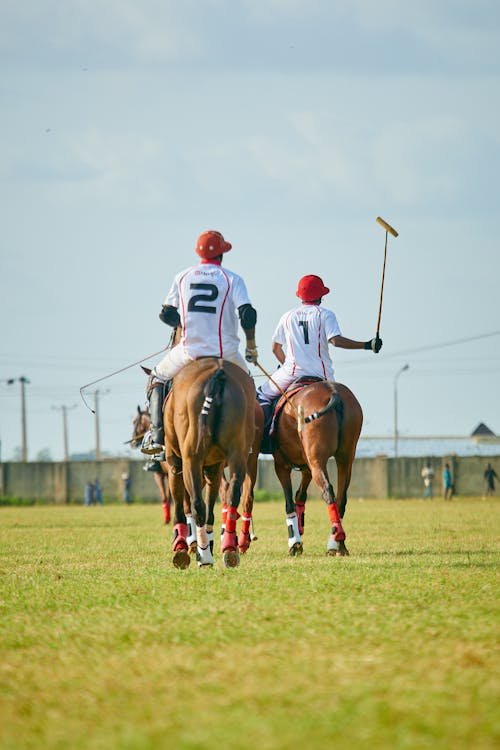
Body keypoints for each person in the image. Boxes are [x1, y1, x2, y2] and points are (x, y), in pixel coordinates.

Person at [141, 229, 258, 456]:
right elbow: (248, 314)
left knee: (156, 378)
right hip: (226, 353)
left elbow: (166, 314)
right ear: (222, 255)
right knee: (247, 384)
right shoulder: (232, 279)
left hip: (189, 351)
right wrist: (251, 345)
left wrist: (184, 326)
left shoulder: (182, 276)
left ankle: (156, 435)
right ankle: (247, 435)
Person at [256, 274, 382, 415]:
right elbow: (336, 341)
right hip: (324, 375)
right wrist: (367, 345)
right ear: (321, 296)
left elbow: (275, 348)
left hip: (292, 373)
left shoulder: (287, 316)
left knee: (262, 394)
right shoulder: (326, 315)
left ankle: (265, 434)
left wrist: (285, 363)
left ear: (300, 295)